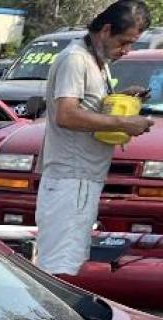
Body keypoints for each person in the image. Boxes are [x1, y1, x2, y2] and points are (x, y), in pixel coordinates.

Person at [35, 0, 155, 275]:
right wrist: (123, 122)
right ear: (106, 29)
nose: (126, 51)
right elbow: (66, 114)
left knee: (69, 261)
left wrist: (122, 99)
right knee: (58, 268)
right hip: (70, 181)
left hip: (82, 180)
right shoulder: (75, 59)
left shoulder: (97, 61)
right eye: (124, 42)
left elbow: (87, 108)